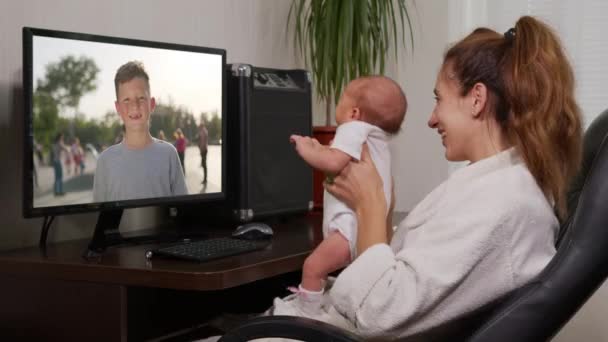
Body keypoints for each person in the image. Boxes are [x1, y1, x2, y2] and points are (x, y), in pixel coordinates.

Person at [193, 16, 582, 341]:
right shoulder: (495, 187)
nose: (431, 119)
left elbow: (379, 310)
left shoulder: (503, 204)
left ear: (477, 99)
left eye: (438, 99)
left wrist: (371, 207)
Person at [288, 76, 407, 315]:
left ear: (354, 112)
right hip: (366, 230)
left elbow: (333, 163)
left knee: (312, 268)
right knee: (331, 272)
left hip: (348, 230)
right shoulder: (376, 137)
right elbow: (343, 159)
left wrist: (305, 149)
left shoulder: (353, 128)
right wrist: (321, 149)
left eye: (342, 98)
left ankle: (305, 314)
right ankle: (322, 306)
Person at [93, 61, 188, 202]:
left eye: (141, 98)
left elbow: (184, 212)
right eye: (126, 100)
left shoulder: (169, 155)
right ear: (118, 108)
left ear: (152, 104)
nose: (134, 106)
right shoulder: (105, 161)